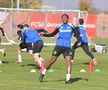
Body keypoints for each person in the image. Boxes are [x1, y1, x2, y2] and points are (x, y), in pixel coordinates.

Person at [39, 14, 80, 84]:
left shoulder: (71, 26)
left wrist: (79, 41)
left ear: (68, 19)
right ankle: (43, 73)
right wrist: (44, 34)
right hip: (58, 46)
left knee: (69, 61)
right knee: (52, 61)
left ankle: (68, 79)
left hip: (67, 47)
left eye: (65, 18)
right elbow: (52, 34)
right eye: (62, 18)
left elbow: (77, 34)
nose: (63, 19)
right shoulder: (59, 26)